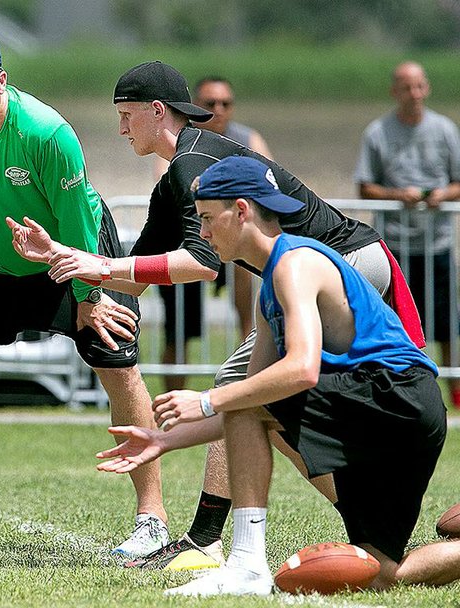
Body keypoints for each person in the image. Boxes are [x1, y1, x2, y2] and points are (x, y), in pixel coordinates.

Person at [8, 61, 421, 572]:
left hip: (349, 261)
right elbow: (138, 277)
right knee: (272, 410)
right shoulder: (176, 176)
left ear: (156, 111)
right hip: (340, 264)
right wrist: (60, 256)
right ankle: (367, 520)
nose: (120, 128)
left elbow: (200, 265)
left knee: (244, 389)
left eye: (126, 115)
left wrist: (102, 263)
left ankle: (208, 540)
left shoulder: (190, 165)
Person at [97, 155, 459, 597]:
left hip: (395, 394)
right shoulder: (271, 283)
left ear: (242, 211)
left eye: (208, 218)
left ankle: (247, 565)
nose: (203, 233)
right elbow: (249, 404)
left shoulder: (296, 263)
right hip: (404, 412)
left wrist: (208, 400)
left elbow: (301, 370)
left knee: (242, 399)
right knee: (380, 572)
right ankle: (249, 566)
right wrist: (163, 441)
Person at [0, 30, 169, 559]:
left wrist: (88, 295)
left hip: (70, 253)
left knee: (119, 365)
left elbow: (77, 216)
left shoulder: (46, 132)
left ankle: (151, 520)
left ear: (1, 79)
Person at [155, 76, 271, 391]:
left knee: (252, 318)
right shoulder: (179, 140)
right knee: (178, 329)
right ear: (195, 107)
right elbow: (167, 184)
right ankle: (172, 405)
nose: (218, 110)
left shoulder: (248, 139)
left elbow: (270, 182)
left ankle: (249, 389)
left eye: (225, 103)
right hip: (190, 241)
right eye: (210, 104)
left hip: (237, 245)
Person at [355, 60, 460, 407]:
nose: (413, 94)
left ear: (426, 88)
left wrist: (443, 194)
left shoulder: (445, 129)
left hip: (437, 243)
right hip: (394, 246)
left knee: (446, 325)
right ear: (394, 91)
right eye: (406, 87)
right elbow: (365, 186)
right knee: (396, 323)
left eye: (419, 86)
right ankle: (400, 390)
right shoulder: (377, 132)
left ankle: (455, 394)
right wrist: (398, 195)